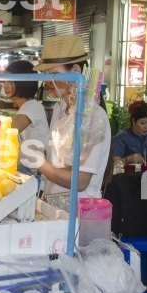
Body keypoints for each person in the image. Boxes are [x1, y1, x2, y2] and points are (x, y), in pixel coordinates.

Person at [33, 35, 111, 198]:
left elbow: (80, 182)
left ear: (75, 71)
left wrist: (36, 161)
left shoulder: (93, 116)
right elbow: (56, 161)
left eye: (53, 74)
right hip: (53, 208)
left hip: (78, 214)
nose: (48, 82)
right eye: (45, 74)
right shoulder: (59, 107)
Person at [3, 60, 49, 176]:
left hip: (39, 173)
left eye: (11, 81)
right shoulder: (27, 106)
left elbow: (9, 132)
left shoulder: (32, 106)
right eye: (5, 80)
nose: (5, 85)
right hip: (32, 169)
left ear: (24, 82)